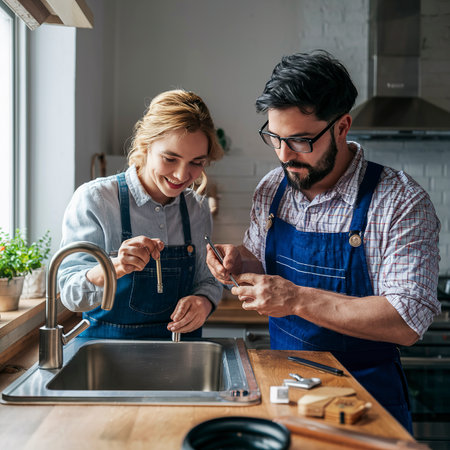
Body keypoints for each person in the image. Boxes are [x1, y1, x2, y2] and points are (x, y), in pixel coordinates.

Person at [206, 51, 441, 432]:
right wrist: (238, 263)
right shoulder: (271, 190)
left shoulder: (400, 201)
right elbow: (260, 264)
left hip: (366, 405)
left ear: (342, 126)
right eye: (275, 138)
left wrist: (296, 299)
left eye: (300, 140)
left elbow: (405, 321)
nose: (284, 156)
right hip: (284, 392)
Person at [58, 89, 223, 339]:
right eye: (170, 158)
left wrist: (204, 301)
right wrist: (114, 267)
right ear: (145, 145)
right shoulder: (97, 200)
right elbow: (71, 294)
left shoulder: (197, 208)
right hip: (106, 355)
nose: (181, 175)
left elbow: (208, 281)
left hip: (179, 354)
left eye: (196, 163)